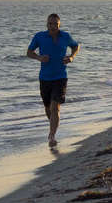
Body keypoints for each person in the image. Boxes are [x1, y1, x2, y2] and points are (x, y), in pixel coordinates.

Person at [27, 13, 80, 147]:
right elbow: (29, 52)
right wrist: (39, 58)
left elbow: (76, 46)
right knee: (48, 108)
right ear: (47, 24)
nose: (53, 26)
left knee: (55, 106)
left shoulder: (65, 36)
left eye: (55, 24)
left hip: (61, 77)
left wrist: (71, 57)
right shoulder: (39, 36)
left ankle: (52, 136)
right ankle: (53, 125)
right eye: (50, 24)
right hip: (44, 78)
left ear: (59, 25)